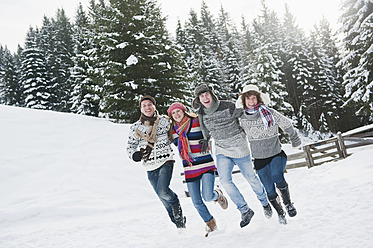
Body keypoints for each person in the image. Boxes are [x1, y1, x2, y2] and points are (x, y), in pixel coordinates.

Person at [192, 84, 272, 228]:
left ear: (212, 94)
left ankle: (265, 202)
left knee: (251, 178)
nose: (205, 98)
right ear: (199, 99)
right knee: (225, 181)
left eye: (207, 94)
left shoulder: (227, 105)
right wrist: (204, 142)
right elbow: (205, 131)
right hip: (222, 149)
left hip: (239, 147)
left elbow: (245, 117)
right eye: (201, 96)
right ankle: (245, 210)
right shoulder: (202, 113)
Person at [236, 84, 301, 225]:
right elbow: (235, 133)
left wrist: (294, 138)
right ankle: (280, 213)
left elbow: (286, 123)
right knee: (269, 190)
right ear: (244, 101)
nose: (251, 101)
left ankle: (288, 204)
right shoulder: (241, 118)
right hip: (259, 159)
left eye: (254, 98)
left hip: (276, 154)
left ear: (258, 99)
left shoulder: (269, 112)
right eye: (248, 98)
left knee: (278, 176)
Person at [167, 102, 228, 236]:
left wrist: (207, 140)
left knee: (207, 196)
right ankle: (211, 224)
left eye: (179, 111)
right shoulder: (172, 131)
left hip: (206, 163)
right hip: (190, 168)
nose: (177, 114)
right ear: (171, 116)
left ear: (184, 111)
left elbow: (210, 129)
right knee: (196, 201)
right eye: (173, 113)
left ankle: (217, 195)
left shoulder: (196, 121)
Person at [126, 95, 186, 229]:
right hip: (149, 165)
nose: (147, 107)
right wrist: (134, 155)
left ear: (154, 106)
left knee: (163, 191)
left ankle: (176, 205)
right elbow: (130, 147)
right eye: (144, 105)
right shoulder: (135, 128)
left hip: (166, 160)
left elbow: (177, 134)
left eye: (149, 104)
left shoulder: (165, 122)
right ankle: (178, 222)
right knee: (162, 198)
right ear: (141, 109)